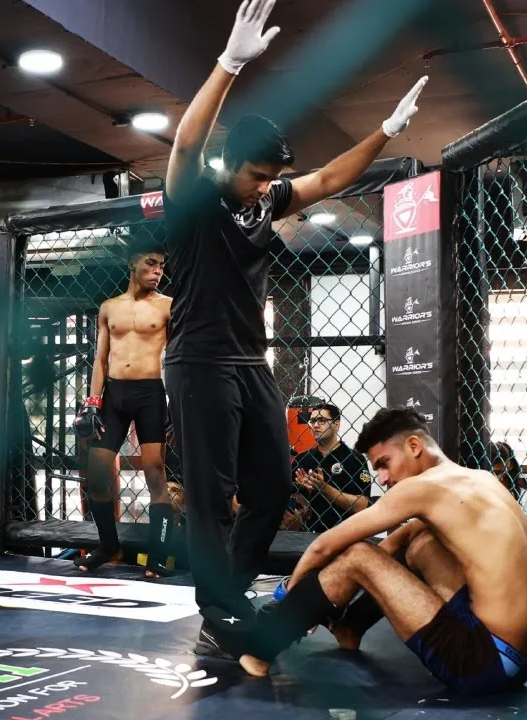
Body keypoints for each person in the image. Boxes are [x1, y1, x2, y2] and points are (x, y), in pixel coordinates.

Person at [162, 0, 429, 654]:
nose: (266, 188)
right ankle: (217, 607)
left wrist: (386, 131)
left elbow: (331, 176)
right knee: (211, 493)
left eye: (272, 179)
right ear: (230, 165)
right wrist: (228, 65)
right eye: (258, 176)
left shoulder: (267, 202)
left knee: (274, 484)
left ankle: (230, 591)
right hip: (199, 360)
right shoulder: (196, 201)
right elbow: (186, 144)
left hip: (250, 362)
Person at [206, 408, 527, 695]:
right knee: (420, 542)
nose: (382, 478)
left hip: (482, 662)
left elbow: (324, 545)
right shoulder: (479, 478)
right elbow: (393, 548)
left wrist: (293, 601)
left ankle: (261, 651)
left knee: (357, 554)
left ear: (414, 445)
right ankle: (350, 628)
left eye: (384, 463)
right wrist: (335, 593)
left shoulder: (422, 488)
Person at [73, 243, 175, 578]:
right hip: (114, 395)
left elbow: (177, 357)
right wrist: (93, 402)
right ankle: (109, 546)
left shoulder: (168, 306)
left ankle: (158, 556)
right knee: (97, 473)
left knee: (154, 473)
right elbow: (100, 360)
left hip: (151, 394)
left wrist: (176, 403)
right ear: (133, 263)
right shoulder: (109, 307)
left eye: (162, 266)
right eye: (151, 263)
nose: (158, 271)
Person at [292, 403, 373, 531]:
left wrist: (324, 488)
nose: (316, 425)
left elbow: (362, 505)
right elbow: (292, 502)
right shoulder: (302, 460)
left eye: (321, 420)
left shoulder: (354, 459)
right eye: (312, 421)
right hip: (307, 535)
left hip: (344, 534)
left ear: (336, 424)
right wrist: (303, 491)